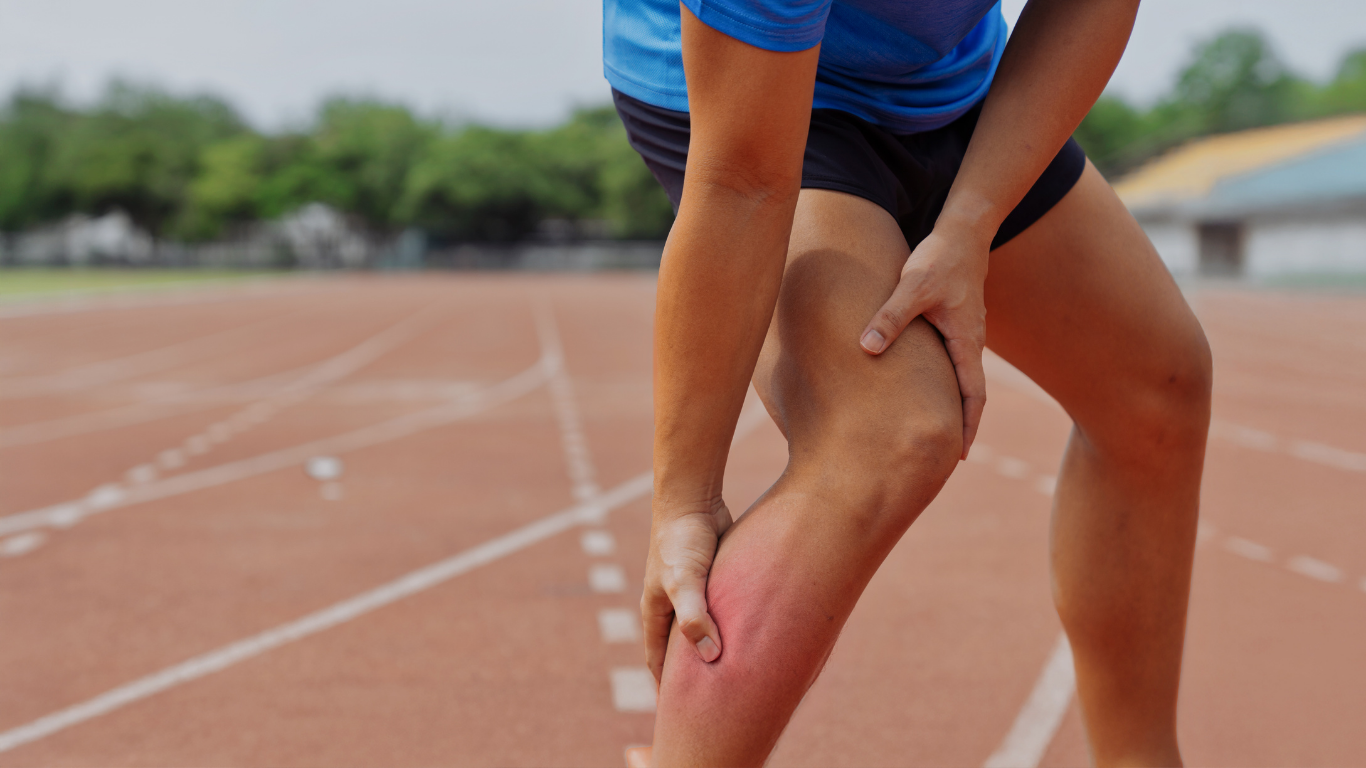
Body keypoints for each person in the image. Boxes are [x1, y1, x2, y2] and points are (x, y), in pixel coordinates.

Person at [605, 0, 1212, 764]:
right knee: (884, 428)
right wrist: (683, 502)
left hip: (952, 90)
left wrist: (970, 226)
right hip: (761, 98)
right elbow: (744, 181)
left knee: (1158, 384)